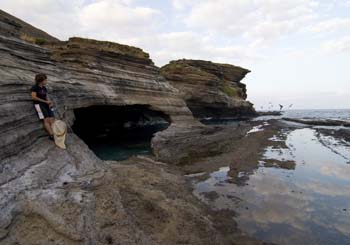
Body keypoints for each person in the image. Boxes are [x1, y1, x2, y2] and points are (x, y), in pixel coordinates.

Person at [30, 73, 55, 140]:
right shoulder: (35, 88)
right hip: (38, 105)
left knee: (52, 119)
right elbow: (33, 97)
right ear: (41, 81)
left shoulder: (44, 87)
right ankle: (51, 135)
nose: (46, 81)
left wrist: (49, 102)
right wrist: (45, 102)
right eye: (45, 80)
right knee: (46, 120)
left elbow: (45, 96)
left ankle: (55, 133)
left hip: (46, 104)